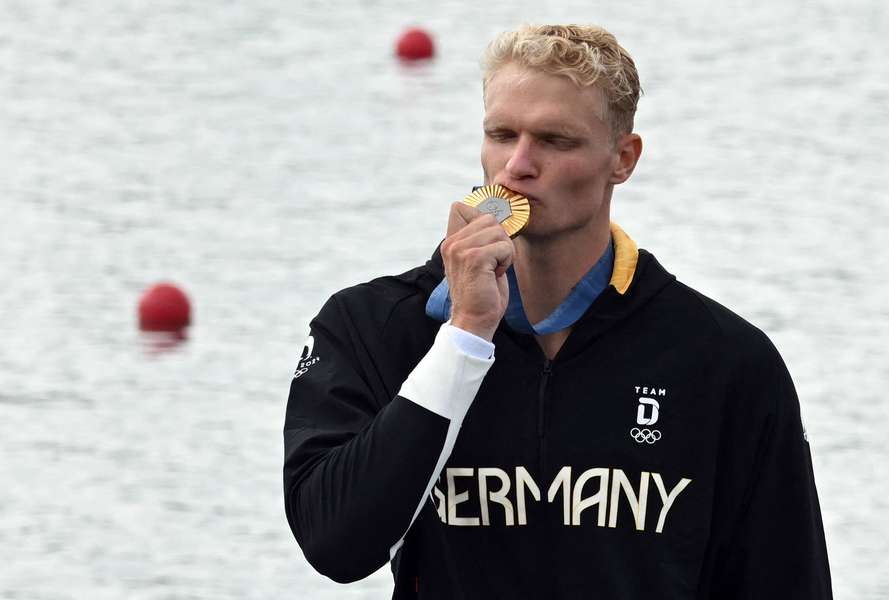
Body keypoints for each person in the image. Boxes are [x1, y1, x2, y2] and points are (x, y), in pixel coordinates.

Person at [283, 24, 832, 599]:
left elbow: (787, 582)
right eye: (501, 135)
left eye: (554, 141)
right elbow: (335, 546)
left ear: (623, 159)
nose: (516, 166)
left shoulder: (724, 360)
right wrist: (466, 336)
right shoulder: (377, 326)